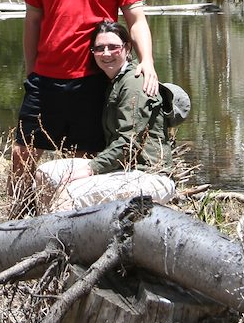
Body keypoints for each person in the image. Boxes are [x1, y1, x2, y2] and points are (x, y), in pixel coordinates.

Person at [8, 0, 159, 208]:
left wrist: (147, 61)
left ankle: (77, 225)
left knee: (83, 161)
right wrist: (31, 69)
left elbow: (136, 20)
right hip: (45, 79)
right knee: (22, 153)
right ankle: (18, 221)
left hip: (93, 80)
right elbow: (32, 21)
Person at [35, 21, 186, 212]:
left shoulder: (134, 83)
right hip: (121, 170)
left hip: (149, 175)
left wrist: (91, 169)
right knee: (45, 174)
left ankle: (58, 239)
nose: (106, 54)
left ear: (127, 48)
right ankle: (53, 230)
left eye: (113, 47)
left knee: (69, 193)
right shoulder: (114, 81)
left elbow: (128, 143)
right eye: (99, 48)